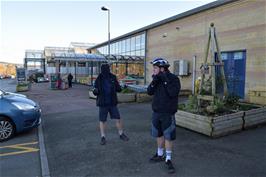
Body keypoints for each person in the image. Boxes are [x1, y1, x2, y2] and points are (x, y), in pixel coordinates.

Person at [147, 58, 181, 174]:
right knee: (159, 134)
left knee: (168, 136)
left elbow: (173, 93)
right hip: (157, 112)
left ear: (162, 69)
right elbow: (149, 92)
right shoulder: (156, 79)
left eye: (155, 68)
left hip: (168, 112)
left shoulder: (174, 79)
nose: (153, 70)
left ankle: (168, 159)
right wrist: (154, 81)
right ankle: (160, 154)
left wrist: (165, 80)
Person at [93, 63, 129, 145]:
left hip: (112, 102)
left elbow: (118, 88)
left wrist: (123, 87)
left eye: (107, 68)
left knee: (118, 119)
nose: (106, 70)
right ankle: (103, 137)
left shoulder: (112, 77)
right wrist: (95, 91)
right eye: (105, 69)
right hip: (103, 103)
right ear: (102, 70)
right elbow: (95, 90)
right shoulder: (99, 78)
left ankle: (121, 134)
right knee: (102, 120)